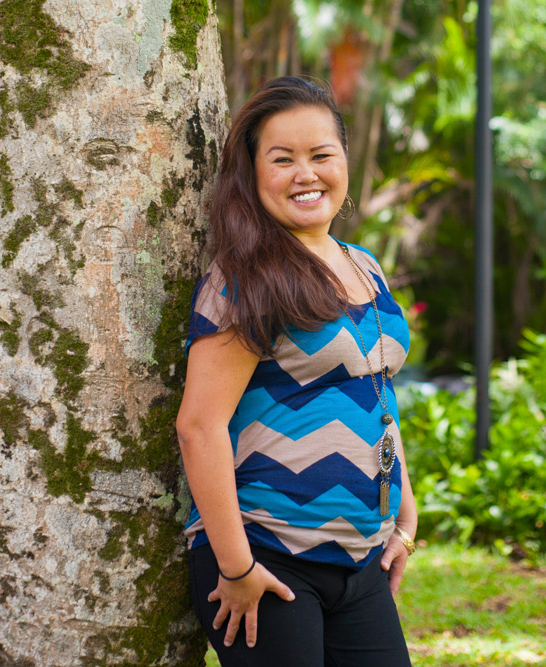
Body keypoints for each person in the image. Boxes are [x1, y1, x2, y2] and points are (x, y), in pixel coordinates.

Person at [176, 76, 417, 667]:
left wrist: (404, 511)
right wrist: (236, 567)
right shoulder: (244, 281)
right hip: (266, 554)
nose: (305, 174)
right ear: (252, 175)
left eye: (320, 155)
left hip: (358, 560)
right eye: (282, 159)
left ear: (344, 161)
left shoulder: (365, 266)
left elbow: (375, 392)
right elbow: (198, 427)